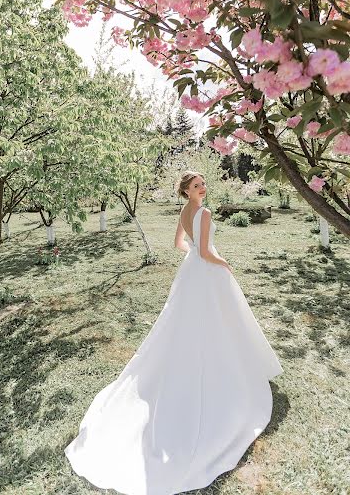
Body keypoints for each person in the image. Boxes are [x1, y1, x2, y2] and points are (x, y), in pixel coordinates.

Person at [64, 170, 284, 495]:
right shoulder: (204, 212)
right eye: (197, 186)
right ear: (187, 191)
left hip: (191, 273)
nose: (203, 189)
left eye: (203, 184)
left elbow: (179, 243)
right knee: (219, 319)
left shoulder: (183, 212)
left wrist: (195, 257)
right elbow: (207, 251)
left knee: (188, 321)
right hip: (206, 272)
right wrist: (223, 264)